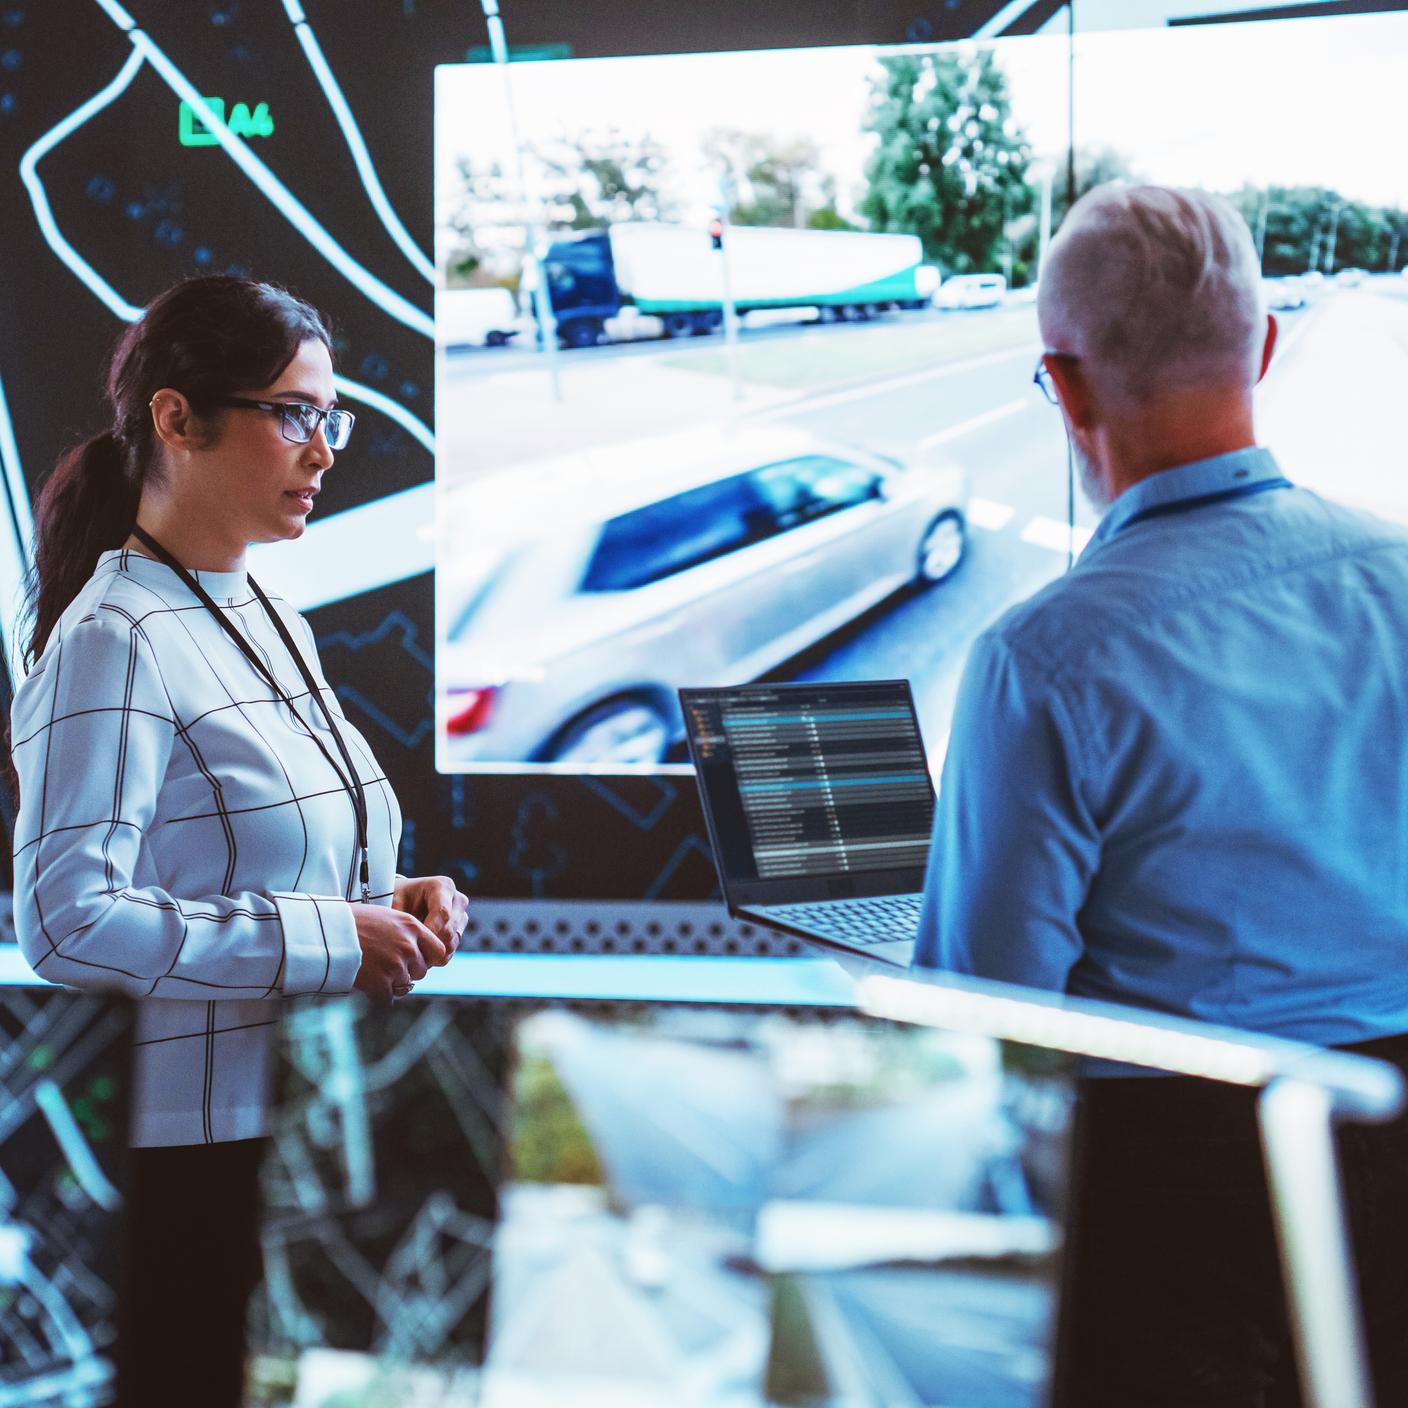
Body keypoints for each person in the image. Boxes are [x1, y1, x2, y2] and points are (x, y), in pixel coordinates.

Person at [913, 184, 1408, 1405]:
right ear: (1266, 350)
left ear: (1066, 387)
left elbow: (982, 1023)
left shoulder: (1044, 657)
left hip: (1174, 1209)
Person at [8, 275, 470, 1407]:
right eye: (294, 414)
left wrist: (397, 895)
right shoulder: (115, 633)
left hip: (300, 1137)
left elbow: (279, 861)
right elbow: (64, 921)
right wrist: (329, 938)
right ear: (176, 419)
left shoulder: (267, 614)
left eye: (333, 417)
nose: (324, 450)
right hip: (192, 1158)